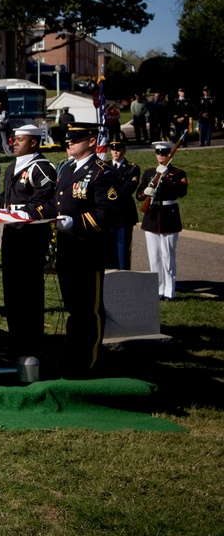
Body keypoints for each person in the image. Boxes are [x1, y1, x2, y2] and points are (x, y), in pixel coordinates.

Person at [32, 123, 116, 374]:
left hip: (88, 250)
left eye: (75, 139)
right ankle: (74, 356)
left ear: (91, 141)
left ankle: (88, 361)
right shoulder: (67, 169)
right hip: (68, 248)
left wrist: (76, 223)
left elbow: (106, 213)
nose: (69, 143)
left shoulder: (102, 172)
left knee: (88, 309)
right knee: (73, 307)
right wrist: (28, 214)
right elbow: (56, 204)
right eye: (68, 140)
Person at [0, 125, 57, 360]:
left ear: (33, 143)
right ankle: (16, 342)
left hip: (31, 236)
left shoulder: (41, 167)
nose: (13, 143)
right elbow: (4, 200)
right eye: (14, 139)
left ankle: (32, 345)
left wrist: (26, 214)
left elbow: (49, 201)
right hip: (12, 234)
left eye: (19, 140)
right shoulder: (13, 167)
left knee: (29, 291)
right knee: (12, 290)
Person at [137, 141, 188, 300]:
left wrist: (166, 177)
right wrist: (145, 192)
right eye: (158, 153)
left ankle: (169, 291)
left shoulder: (178, 173)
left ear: (169, 155)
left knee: (168, 257)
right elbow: (139, 195)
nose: (161, 155)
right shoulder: (149, 172)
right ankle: (158, 289)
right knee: (154, 256)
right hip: (152, 216)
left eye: (164, 153)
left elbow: (181, 192)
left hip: (168, 216)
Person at [105, 140, 141, 270]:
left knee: (123, 250)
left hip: (124, 213)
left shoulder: (132, 168)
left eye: (118, 149)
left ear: (124, 150)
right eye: (113, 149)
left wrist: (109, 192)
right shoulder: (105, 166)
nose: (115, 152)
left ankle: (124, 280)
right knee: (109, 250)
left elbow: (127, 190)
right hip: (108, 214)